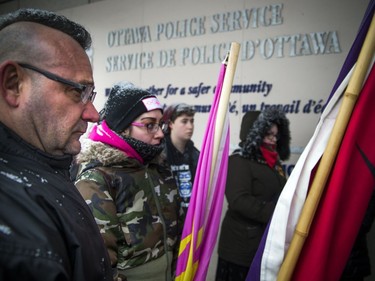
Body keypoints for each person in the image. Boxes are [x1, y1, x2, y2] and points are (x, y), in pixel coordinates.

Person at [0, 8, 112, 281]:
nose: (93, 114)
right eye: (77, 91)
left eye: (91, 94)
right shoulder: (14, 225)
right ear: (13, 84)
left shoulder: (45, 168)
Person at [74, 82, 182, 281]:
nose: (160, 133)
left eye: (161, 124)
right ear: (123, 129)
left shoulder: (157, 167)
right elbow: (98, 261)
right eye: (149, 125)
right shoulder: (96, 180)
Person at [215, 108, 291, 281]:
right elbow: (239, 201)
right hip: (241, 249)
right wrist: (278, 214)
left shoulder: (271, 162)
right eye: (268, 134)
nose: (273, 139)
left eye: (275, 135)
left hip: (266, 243)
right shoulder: (238, 161)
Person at [162, 103, 200, 216]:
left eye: (192, 121)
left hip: (190, 220)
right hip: (167, 221)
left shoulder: (196, 155)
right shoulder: (159, 154)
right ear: (170, 124)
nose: (190, 126)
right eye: (184, 121)